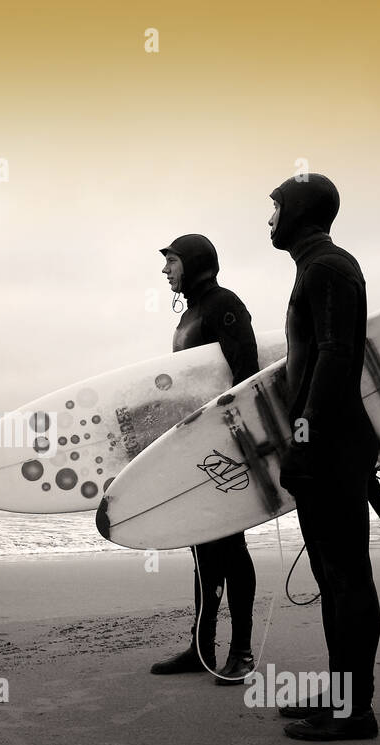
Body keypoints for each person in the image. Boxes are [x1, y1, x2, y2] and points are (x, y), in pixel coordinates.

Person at [267, 173, 380, 740]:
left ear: (301, 212)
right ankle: (343, 691)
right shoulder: (317, 267)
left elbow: (337, 356)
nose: (269, 218)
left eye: (276, 206)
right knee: (331, 573)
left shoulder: (327, 267)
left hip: (331, 443)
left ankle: (355, 710)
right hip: (330, 441)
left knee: (345, 576)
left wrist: (305, 435)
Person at [149, 234, 260, 684]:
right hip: (199, 447)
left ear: (194, 263)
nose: (165, 271)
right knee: (202, 547)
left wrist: (237, 442)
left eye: (171, 261)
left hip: (227, 448)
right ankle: (202, 645)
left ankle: (243, 651)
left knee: (231, 548)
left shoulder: (223, 305)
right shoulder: (191, 314)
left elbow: (247, 372)